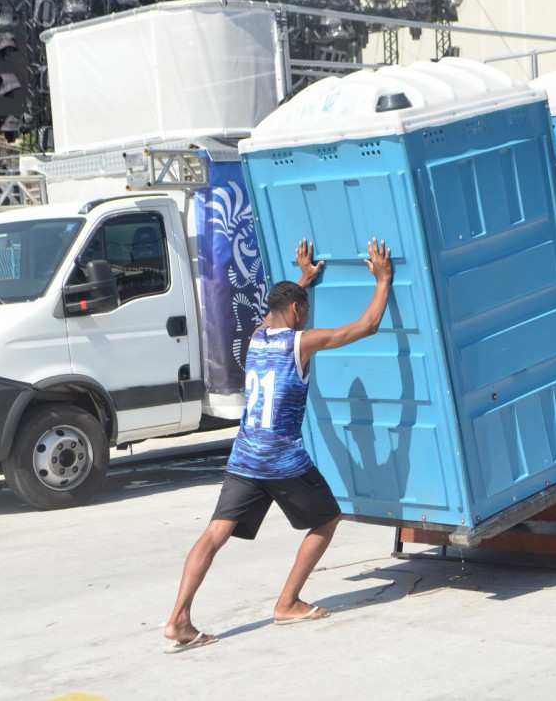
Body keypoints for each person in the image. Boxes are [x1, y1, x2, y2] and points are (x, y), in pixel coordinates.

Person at [163, 236, 393, 654]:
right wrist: (383, 279)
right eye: (304, 309)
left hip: (245, 455)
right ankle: (287, 603)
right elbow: (366, 327)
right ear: (295, 311)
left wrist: (305, 279)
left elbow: (284, 311)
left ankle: (178, 619)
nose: (307, 316)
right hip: (283, 459)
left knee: (214, 534)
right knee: (327, 520)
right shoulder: (300, 343)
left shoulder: (255, 336)